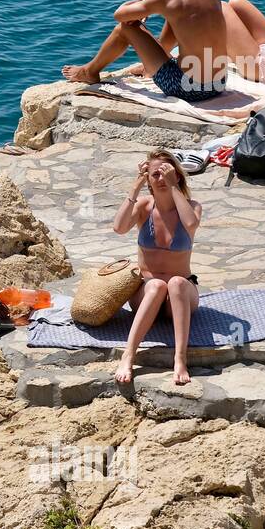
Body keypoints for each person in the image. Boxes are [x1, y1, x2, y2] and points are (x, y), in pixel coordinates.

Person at [62, 0, 230, 102]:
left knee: (125, 28)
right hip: (218, 84)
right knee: (175, 19)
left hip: (187, 88)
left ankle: (89, 72)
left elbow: (119, 14)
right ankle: (150, 68)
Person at [111, 150, 203, 387]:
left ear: (177, 176)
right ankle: (128, 355)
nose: (160, 179)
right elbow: (119, 228)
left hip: (180, 296)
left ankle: (180, 359)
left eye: (166, 174)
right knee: (156, 285)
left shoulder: (192, 207)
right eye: (155, 175)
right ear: (148, 180)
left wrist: (174, 187)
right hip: (146, 293)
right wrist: (135, 187)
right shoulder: (144, 206)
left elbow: (191, 224)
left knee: (175, 282)